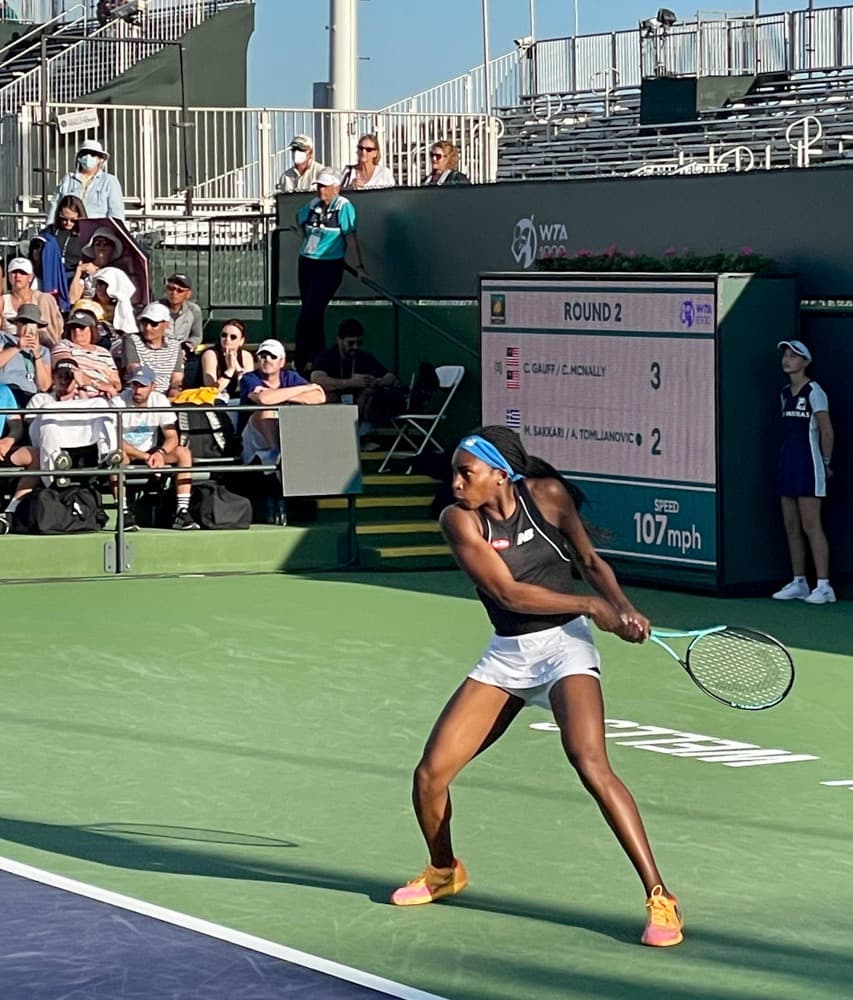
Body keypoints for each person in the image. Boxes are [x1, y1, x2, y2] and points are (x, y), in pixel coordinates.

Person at [389, 426, 683, 948]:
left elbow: (590, 563)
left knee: (589, 761)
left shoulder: (547, 496)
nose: (455, 483)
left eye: (466, 473)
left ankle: (660, 895)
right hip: (508, 654)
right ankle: (443, 870)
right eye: (455, 473)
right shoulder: (457, 521)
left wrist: (625, 606)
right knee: (430, 775)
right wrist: (595, 606)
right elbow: (509, 592)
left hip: (565, 648)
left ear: (499, 473)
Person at [771, 340, 836, 604]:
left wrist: (826, 461)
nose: (788, 360)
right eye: (785, 355)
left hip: (809, 465)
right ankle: (799, 581)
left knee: (811, 525)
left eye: (794, 356)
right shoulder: (785, 393)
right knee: (791, 526)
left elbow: (826, 430)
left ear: (805, 362)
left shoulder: (814, 391)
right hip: (788, 463)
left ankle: (824, 586)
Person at [293, 169, 365, 373]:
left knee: (309, 313)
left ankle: (301, 361)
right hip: (307, 262)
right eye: (318, 185)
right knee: (312, 312)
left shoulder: (343, 206)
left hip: (329, 265)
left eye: (324, 186)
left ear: (336, 187)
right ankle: (317, 359)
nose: (320, 189)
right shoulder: (314, 204)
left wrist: (359, 266)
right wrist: (304, 236)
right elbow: (299, 218)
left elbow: (350, 237)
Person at [113, 364, 199, 531]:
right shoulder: (118, 401)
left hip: (152, 453)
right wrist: (145, 456)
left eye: (143, 385)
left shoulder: (159, 400)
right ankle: (123, 513)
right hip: (128, 453)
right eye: (135, 385)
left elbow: (172, 436)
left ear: (153, 386)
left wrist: (160, 452)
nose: (138, 390)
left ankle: (182, 512)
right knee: (117, 456)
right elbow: (114, 440)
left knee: (183, 452)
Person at [310, 317, 406, 445]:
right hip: (334, 405)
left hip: (359, 405)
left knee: (372, 394)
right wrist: (349, 382)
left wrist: (376, 382)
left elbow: (390, 377)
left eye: (359, 343)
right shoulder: (327, 357)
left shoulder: (363, 357)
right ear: (340, 340)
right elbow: (317, 379)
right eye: (351, 343)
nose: (355, 347)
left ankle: (361, 436)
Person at [238, 338, 325, 464]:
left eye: (273, 356)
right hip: (252, 440)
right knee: (266, 411)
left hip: (285, 431)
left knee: (302, 412)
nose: (267, 359)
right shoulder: (249, 378)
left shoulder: (290, 376)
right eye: (263, 356)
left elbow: (319, 396)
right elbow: (264, 399)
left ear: (282, 362)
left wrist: (284, 396)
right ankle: (277, 456)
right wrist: (305, 389)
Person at [47, 139, 126, 223]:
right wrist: (49, 228)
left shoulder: (109, 181)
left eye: (93, 154)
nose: (88, 157)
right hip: (70, 229)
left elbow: (116, 214)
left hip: (96, 230)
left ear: (100, 159)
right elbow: (55, 206)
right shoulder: (68, 179)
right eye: (84, 154)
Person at [51, 310, 121, 398]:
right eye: (73, 327)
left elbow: (117, 383)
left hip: (103, 398)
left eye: (81, 327)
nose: (77, 331)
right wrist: (96, 383)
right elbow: (68, 369)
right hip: (74, 396)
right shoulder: (64, 345)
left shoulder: (104, 352)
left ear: (91, 329)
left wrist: (109, 387)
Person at [120, 302, 184, 398]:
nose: (147, 328)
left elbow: (177, 377)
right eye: (144, 322)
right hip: (136, 394)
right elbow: (134, 369)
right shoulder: (131, 339)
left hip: (164, 397)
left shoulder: (175, 345)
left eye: (154, 323)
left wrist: (174, 390)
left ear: (166, 325)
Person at [1, 257, 63, 344]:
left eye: (23, 273)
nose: (17, 276)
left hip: (40, 346)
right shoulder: (3, 301)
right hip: (10, 347)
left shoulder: (44, 300)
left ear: (30, 277)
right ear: (9, 276)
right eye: (14, 272)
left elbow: (54, 332)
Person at [0, 303, 53, 405]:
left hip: (31, 396)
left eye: (32, 323)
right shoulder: (4, 339)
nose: (27, 326)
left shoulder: (43, 351)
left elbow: (44, 386)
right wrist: (17, 347)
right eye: (24, 322)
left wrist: (37, 355)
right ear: (17, 323)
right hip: (7, 390)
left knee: (44, 400)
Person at [200, 318, 254, 401]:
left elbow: (249, 388)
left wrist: (236, 366)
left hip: (238, 400)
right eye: (224, 335)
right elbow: (211, 391)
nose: (227, 339)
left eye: (233, 337)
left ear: (241, 341)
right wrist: (230, 370)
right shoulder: (210, 354)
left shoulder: (246, 356)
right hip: (214, 401)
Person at [48, 195, 87, 284]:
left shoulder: (86, 235)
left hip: (76, 276)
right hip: (52, 275)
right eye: (64, 219)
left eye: (73, 220)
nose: (68, 223)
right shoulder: (51, 231)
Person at [158, 272, 203, 349]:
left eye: (180, 290)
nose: (174, 293)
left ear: (188, 294)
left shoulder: (194, 310)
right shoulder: (155, 309)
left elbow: (197, 336)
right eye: (171, 288)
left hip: (183, 352)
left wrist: (188, 345)